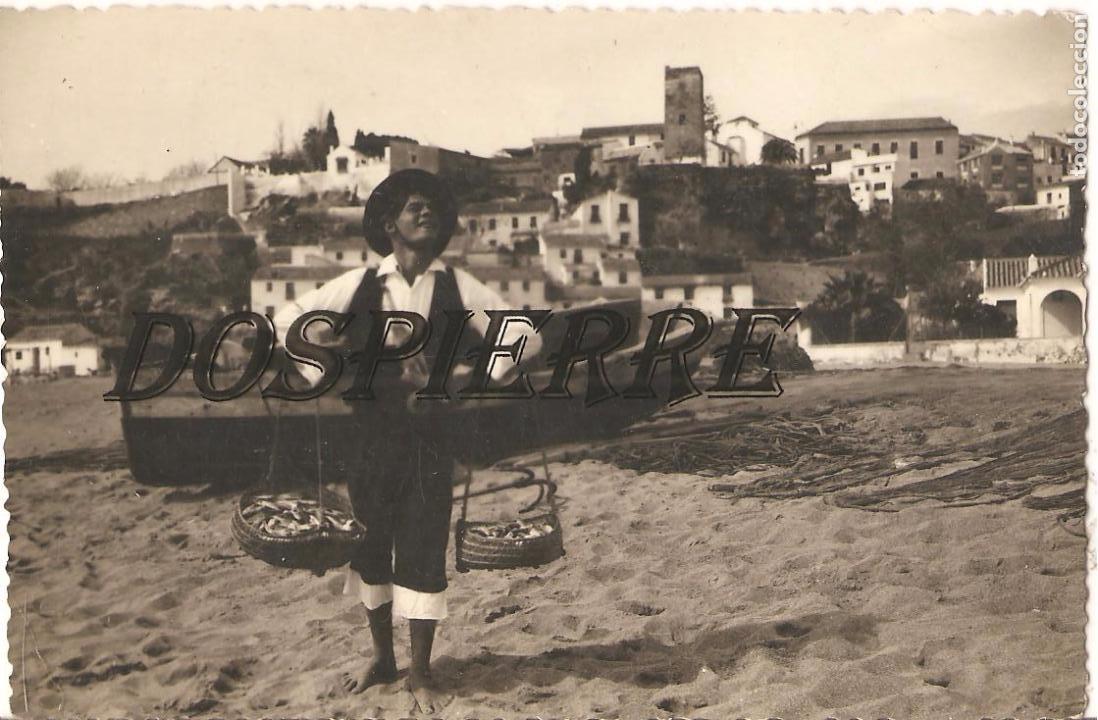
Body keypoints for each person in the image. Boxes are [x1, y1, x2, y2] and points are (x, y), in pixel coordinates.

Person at [273, 169, 541, 713]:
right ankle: (382, 658)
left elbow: (525, 334)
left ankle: (420, 671)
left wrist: (473, 375)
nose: (426, 213)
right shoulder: (360, 284)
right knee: (369, 546)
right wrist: (324, 365)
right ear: (389, 223)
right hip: (369, 433)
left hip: (430, 435)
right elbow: (287, 318)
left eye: (432, 208)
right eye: (414, 206)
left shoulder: (457, 285)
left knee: (422, 544)